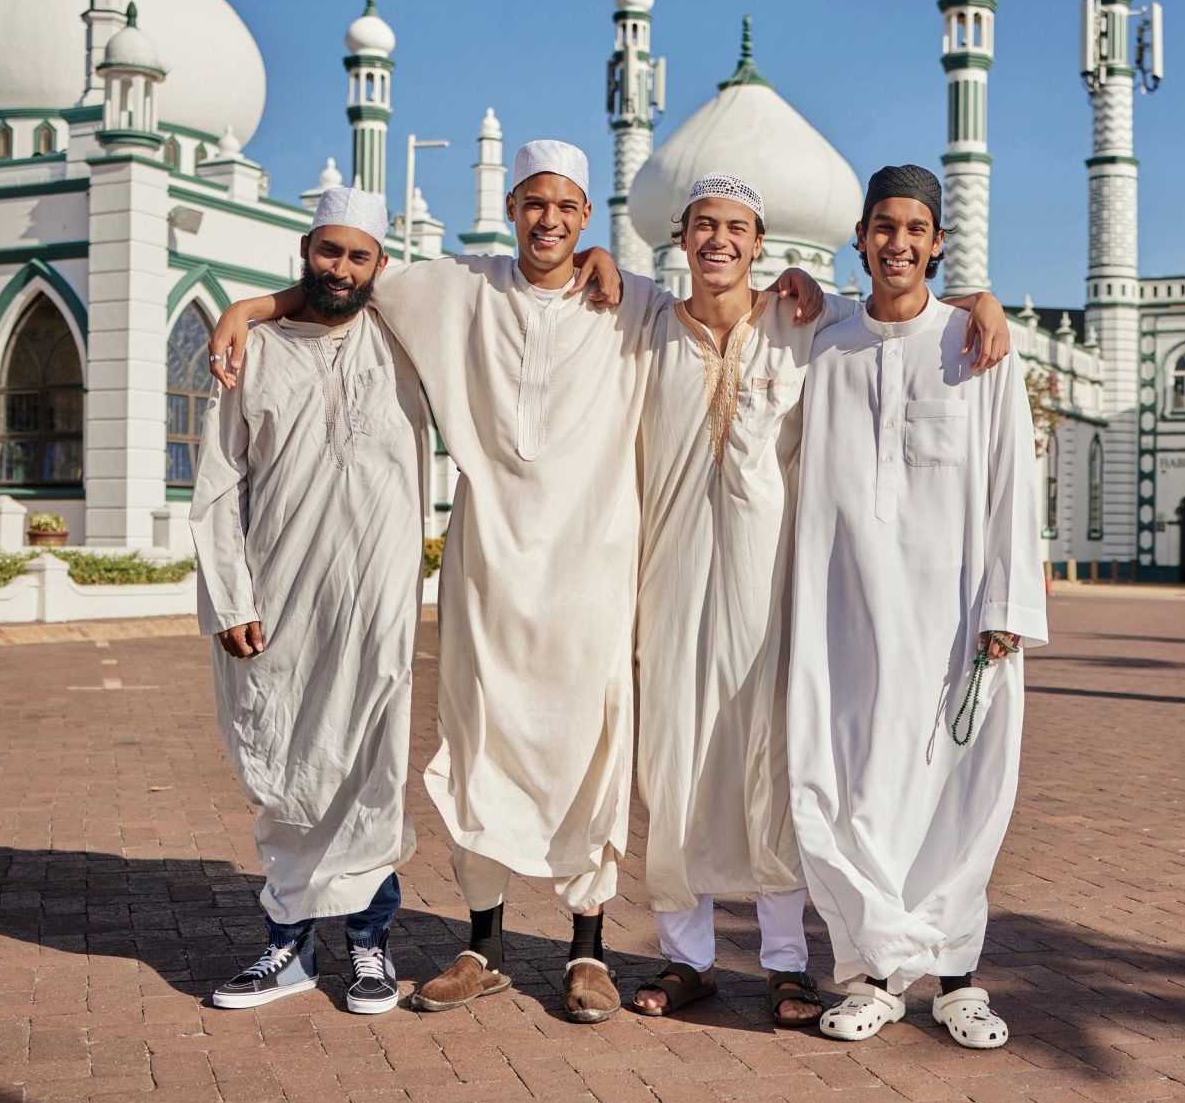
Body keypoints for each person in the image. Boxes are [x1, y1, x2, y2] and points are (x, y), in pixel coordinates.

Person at [206, 141, 823, 1022]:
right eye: (535, 204)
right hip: (489, 567)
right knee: (480, 746)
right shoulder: (458, 286)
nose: (549, 221)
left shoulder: (636, 303)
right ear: (511, 207)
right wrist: (252, 306)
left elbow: (794, 308)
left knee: (594, 754)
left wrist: (807, 283)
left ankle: (587, 951)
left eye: (567, 207)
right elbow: (348, 276)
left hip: (596, 568)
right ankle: (483, 946)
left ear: (588, 216)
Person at [630, 173, 1011, 1029]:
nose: (719, 241)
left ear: (762, 246)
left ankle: (795, 964)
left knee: (787, 766)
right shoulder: (659, 325)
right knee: (680, 763)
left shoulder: (811, 325)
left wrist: (980, 300)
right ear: (680, 235)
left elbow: (905, 319)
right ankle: (694, 958)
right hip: (688, 585)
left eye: (737, 228)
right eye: (704, 225)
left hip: (800, 595)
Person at [786, 164, 1048, 1049]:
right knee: (849, 785)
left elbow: (1012, 478)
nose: (897, 243)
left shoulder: (976, 345)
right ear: (860, 238)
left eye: (914, 229)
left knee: (958, 790)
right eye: (883, 227)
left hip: (958, 616)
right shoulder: (826, 346)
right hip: (844, 614)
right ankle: (871, 975)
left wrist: (1006, 605)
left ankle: (957, 979)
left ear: (938, 243)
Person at [190, 186, 427, 1014]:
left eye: (359, 256)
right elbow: (219, 484)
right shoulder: (252, 351)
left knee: (371, 765)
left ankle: (369, 942)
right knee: (288, 763)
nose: (342, 268)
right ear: (305, 250)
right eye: (330, 251)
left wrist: (249, 300)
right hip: (279, 596)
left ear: (381, 264)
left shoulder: (403, 338)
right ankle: (288, 946)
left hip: (377, 600)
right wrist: (229, 599)